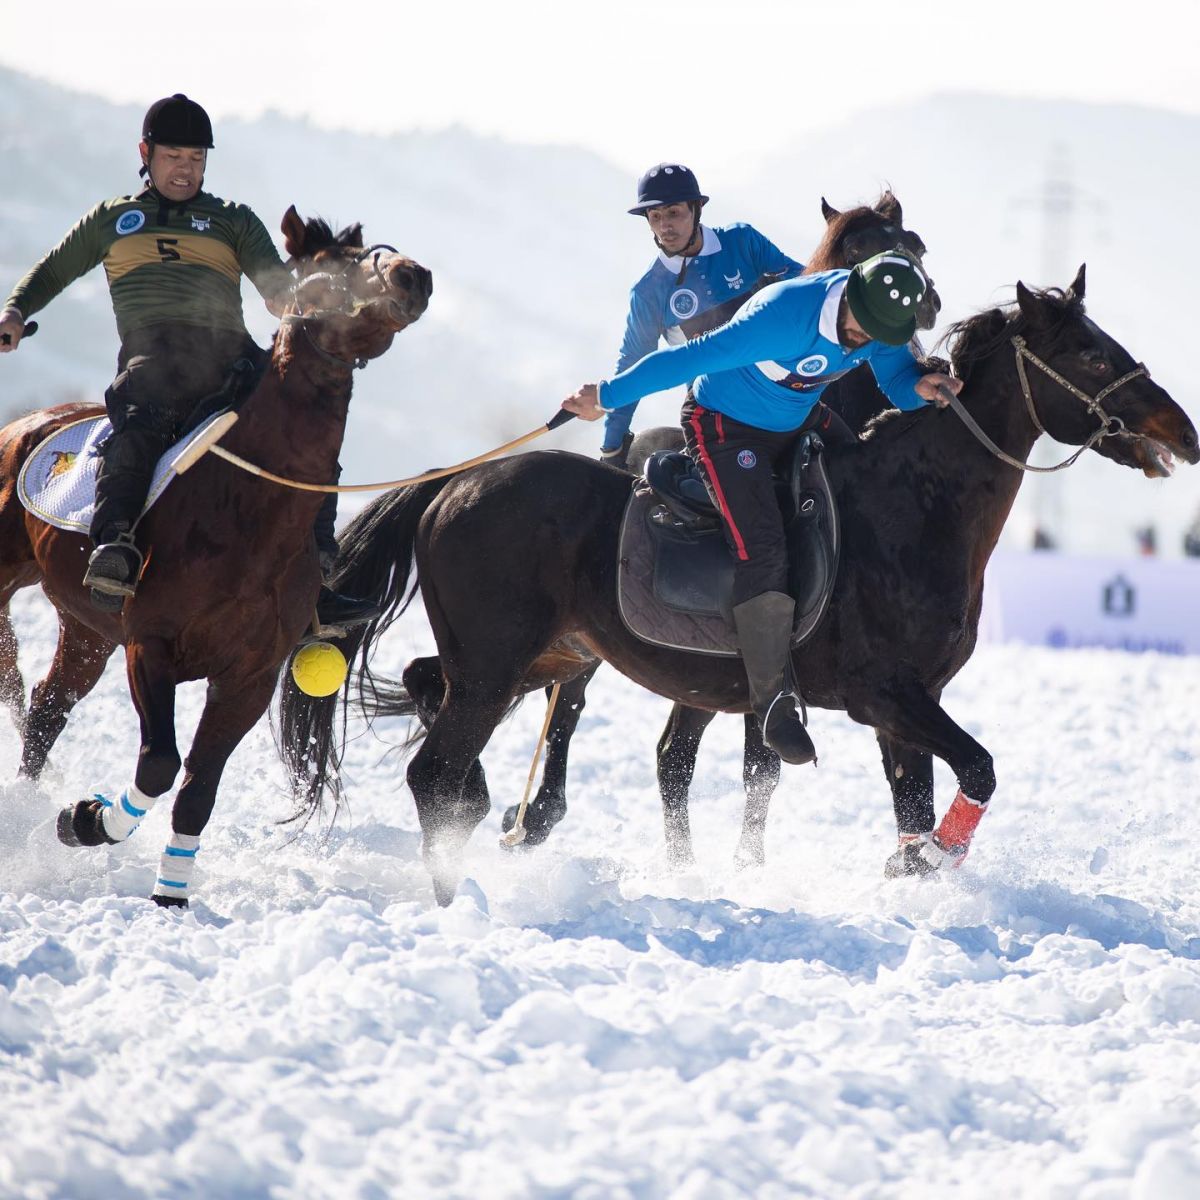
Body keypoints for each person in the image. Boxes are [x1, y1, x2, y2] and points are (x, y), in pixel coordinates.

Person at [564, 251, 963, 765]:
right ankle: (773, 700)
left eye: (883, 331)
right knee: (764, 548)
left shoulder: (881, 326)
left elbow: (895, 380)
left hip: (798, 420)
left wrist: (920, 387)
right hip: (724, 428)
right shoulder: (782, 315)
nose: (867, 339)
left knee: (861, 496)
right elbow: (687, 360)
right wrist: (607, 394)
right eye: (863, 326)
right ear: (849, 296)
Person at [0, 94, 372, 626]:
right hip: (155, 357)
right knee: (137, 428)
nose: (186, 168)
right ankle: (115, 548)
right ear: (145, 153)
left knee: (309, 440)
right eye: (174, 156)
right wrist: (15, 312)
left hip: (234, 359)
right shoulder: (112, 220)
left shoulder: (233, 221)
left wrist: (322, 297)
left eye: (196, 159)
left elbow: (276, 294)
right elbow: (54, 270)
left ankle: (316, 579)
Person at [601, 163, 804, 467]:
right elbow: (632, 365)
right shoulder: (648, 291)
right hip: (717, 414)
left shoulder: (742, 241)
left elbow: (803, 283)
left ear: (696, 209)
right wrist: (611, 447)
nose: (665, 226)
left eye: (674, 213)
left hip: (783, 388)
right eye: (655, 217)